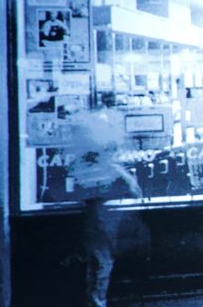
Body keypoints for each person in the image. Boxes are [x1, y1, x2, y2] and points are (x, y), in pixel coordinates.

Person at [68, 109, 142, 307]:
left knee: (95, 260)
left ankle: (94, 299)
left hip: (93, 214)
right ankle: (97, 301)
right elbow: (134, 189)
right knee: (102, 261)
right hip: (103, 216)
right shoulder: (109, 167)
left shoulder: (83, 164)